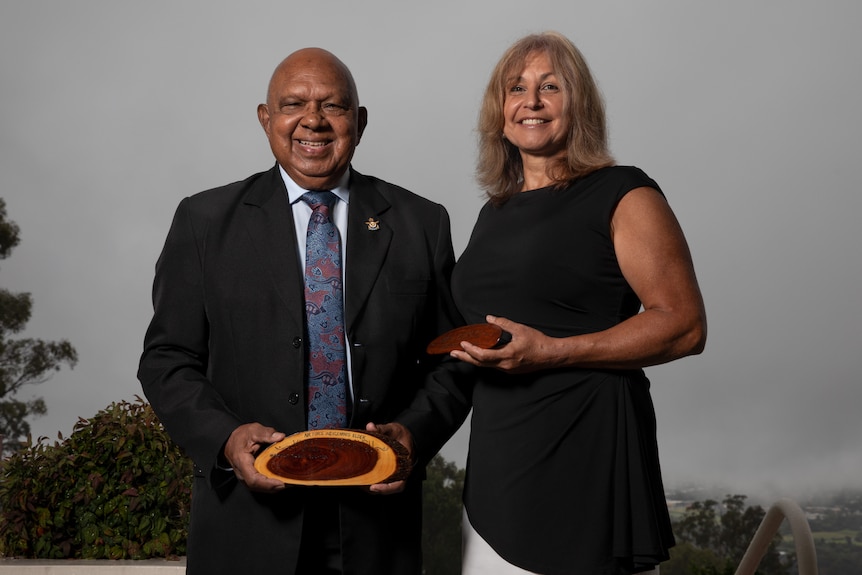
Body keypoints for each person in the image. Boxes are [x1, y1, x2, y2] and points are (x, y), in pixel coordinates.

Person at [138, 47, 469, 575]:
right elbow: (166, 357)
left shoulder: (421, 223)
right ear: (266, 119)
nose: (312, 120)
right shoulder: (204, 222)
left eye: (332, 106)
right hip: (246, 524)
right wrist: (225, 437)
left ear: (358, 122)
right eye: (293, 104)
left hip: (376, 521)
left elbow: (452, 358)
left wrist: (414, 434)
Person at [448, 32, 707, 575]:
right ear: (499, 112)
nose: (531, 102)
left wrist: (552, 352)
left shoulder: (624, 192)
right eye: (515, 89)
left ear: (579, 104)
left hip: (588, 452)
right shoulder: (492, 213)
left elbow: (683, 326)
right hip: (499, 466)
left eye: (550, 87)